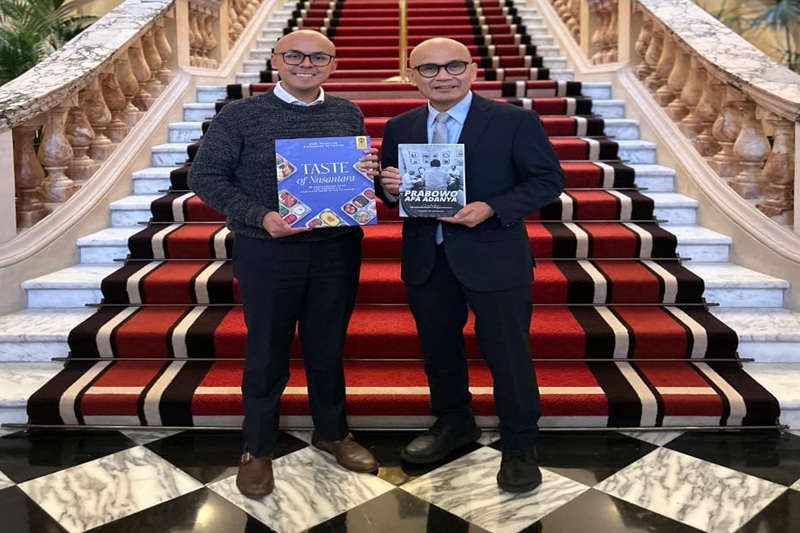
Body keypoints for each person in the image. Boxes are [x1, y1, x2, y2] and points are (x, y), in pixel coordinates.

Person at [189, 29, 379, 499]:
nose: (305, 64)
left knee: (327, 344)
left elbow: (349, 178)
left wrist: (366, 173)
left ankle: (332, 432)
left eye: (318, 57)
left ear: (333, 64)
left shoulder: (347, 112)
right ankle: (257, 447)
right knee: (267, 349)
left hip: (336, 247)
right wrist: (260, 216)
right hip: (267, 249)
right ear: (275, 59)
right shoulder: (241, 115)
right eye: (294, 55)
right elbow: (205, 176)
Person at [376, 38, 565, 493]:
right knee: (439, 348)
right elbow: (392, 193)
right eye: (429, 68)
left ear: (473, 69)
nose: (443, 76)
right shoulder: (400, 126)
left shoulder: (513, 121)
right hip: (427, 256)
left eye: (454, 65)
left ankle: (519, 444)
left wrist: (493, 207)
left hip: (494, 253)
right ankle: (454, 423)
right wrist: (388, 187)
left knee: (508, 353)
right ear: (411, 76)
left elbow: (548, 180)